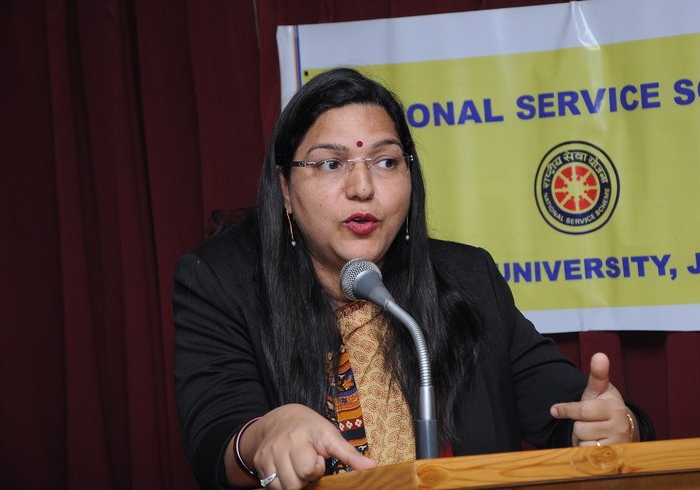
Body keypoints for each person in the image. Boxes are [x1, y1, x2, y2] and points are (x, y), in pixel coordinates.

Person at [173, 67, 654, 490]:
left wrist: (618, 425)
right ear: (284, 188)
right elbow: (216, 440)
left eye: (385, 162)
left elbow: (570, 411)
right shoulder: (221, 281)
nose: (363, 187)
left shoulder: (467, 278)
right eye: (331, 164)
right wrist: (264, 434)